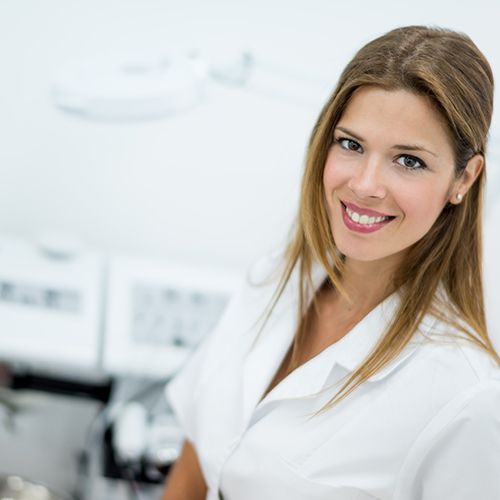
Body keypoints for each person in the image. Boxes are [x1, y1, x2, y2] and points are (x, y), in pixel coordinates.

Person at [161, 25, 500, 500]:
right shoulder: (274, 278)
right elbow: (198, 455)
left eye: (409, 161)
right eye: (351, 144)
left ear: (463, 178)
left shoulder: (468, 398)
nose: (364, 184)